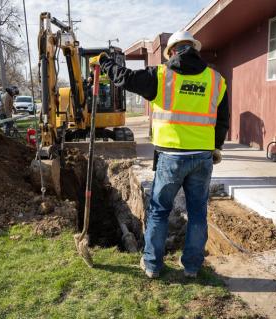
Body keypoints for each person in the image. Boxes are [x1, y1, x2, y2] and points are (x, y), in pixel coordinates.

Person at [90, 31, 229, 278]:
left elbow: (125, 77)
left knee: (159, 211)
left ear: (172, 51)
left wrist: (104, 62)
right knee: (198, 213)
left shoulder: (162, 76)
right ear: (193, 49)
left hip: (171, 157)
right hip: (201, 158)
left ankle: (153, 265)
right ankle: (192, 267)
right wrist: (216, 146)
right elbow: (223, 119)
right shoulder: (216, 80)